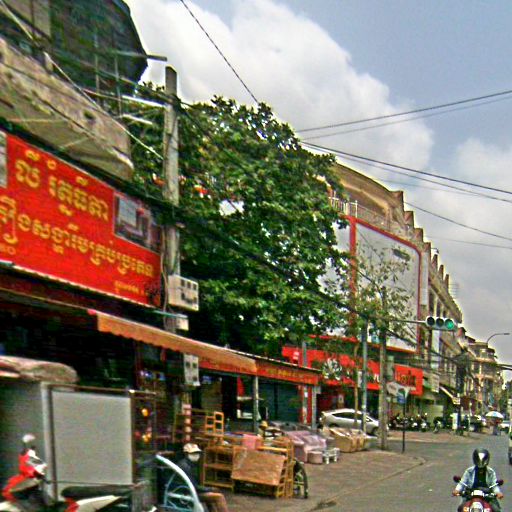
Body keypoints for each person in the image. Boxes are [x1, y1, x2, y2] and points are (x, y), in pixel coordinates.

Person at [176, 443, 229, 512]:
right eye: (193, 453)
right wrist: (209, 489)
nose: (196, 455)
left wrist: (208, 489)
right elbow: (194, 487)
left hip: (187, 490)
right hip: (188, 493)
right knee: (219, 497)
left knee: (211, 495)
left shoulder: (186, 463)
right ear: (186, 454)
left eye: (197, 453)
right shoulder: (186, 466)